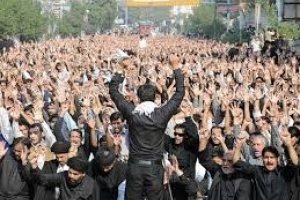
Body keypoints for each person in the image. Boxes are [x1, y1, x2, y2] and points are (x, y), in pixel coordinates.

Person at [109, 54, 185, 200]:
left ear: (138, 98)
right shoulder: (161, 114)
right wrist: (176, 67)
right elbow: (180, 93)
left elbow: (113, 91)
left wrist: (120, 68)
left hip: (135, 168)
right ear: (154, 97)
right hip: (154, 169)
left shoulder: (132, 113)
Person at [233, 130, 299, 200]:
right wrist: (239, 145)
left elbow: (295, 163)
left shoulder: (284, 172)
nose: (269, 161)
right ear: (262, 158)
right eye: (266, 157)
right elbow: (236, 162)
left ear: (277, 159)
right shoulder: (257, 171)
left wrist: (289, 145)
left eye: (272, 157)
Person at [30, 156, 100, 200]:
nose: (71, 176)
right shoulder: (63, 175)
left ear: (83, 174)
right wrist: (34, 167)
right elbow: (44, 179)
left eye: (75, 174)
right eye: (70, 172)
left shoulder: (92, 185)